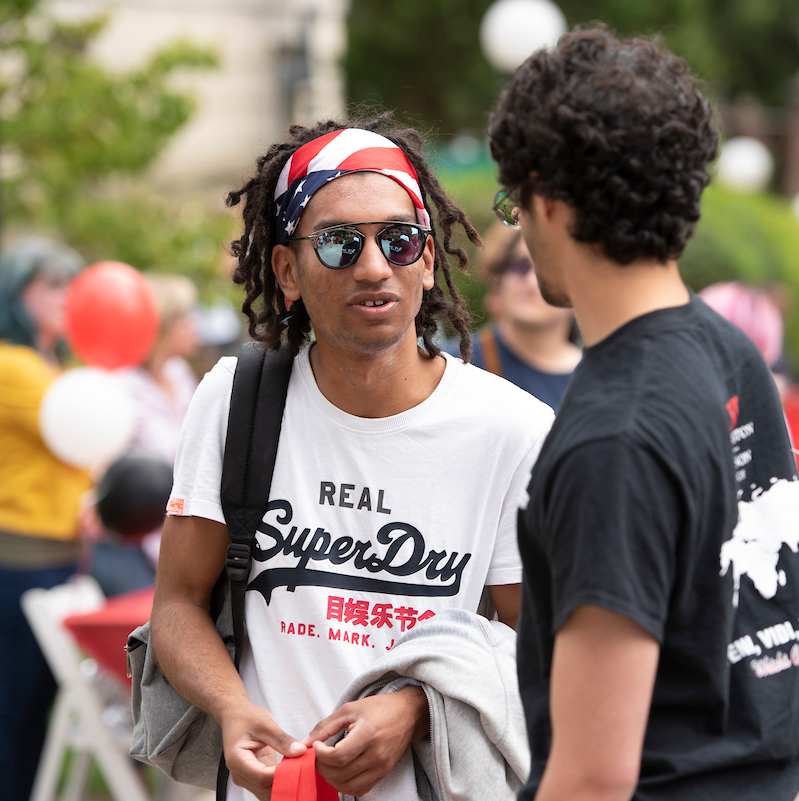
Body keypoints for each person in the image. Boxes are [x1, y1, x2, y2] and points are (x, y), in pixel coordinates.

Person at [152, 117, 555, 801]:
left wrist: (416, 706)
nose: (375, 267)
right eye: (339, 243)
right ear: (287, 270)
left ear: (428, 262)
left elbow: (538, 641)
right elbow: (178, 602)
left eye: (400, 240)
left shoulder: (512, 429)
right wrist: (231, 707)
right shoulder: (235, 401)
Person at [488, 28, 799, 800]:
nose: (521, 233)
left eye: (514, 203)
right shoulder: (730, 352)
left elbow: (594, 776)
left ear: (550, 199)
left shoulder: (614, 436)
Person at [0, 237, 91, 801]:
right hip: (14, 560)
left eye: (71, 285)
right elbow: (77, 428)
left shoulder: (51, 362)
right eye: (52, 286)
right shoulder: (6, 365)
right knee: (9, 703)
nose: (68, 298)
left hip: (56, 557)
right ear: (15, 297)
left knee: (37, 704)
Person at [88, 273, 201, 595]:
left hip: (176, 531)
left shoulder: (178, 375)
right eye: (185, 317)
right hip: (130, 539)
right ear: (161, 325)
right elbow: (176, 453)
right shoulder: (122, 386)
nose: (195, 324)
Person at [468, 222, 581, 410]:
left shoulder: (601, 380)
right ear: (500, 279)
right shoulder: (455, 363)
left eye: (550, 270)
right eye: (521, 266)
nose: (531, 281)